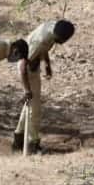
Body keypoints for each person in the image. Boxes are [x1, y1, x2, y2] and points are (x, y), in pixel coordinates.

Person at [14, 19, 75, 155]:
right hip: (27, 70)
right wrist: (27, 89)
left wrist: (47, 64)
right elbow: (22, 66)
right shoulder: (40, 41)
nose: (63, 43)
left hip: (33, 66)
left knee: (30, 106)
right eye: (62, 40)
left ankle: (18, 138)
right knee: (34, 110)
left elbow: (45, 47)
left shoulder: (53, 28)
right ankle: (32, 144)